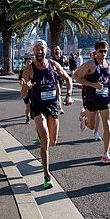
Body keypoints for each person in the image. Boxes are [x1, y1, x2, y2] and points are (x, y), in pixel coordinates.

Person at [20, 39, 74, 189]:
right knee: (45, 137)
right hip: (37, 105)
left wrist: (68, 95)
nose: (39, 51)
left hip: (52, 105)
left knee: (53, 141)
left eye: (42, 49)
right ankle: (46, 175)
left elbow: (68, 79)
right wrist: (27, 88)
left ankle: (42, 133)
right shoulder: (29, 69)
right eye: (36, 49)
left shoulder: (53, 65)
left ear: (46, 50)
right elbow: (22, 93)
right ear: (33, 51)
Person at [72, 40, 110, 163]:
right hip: (92, 99)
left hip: (105, 99)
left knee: (107, 124)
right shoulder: (90, 65)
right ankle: (84, 116)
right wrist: (93, 85)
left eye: (105, 51)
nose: (103, 53)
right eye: (101, 51)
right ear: (96, 51)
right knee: (92, 127)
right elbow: (76, 77)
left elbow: (106, 78)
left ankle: (106, 154)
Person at [19, 56, 33, 124]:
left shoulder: (34, 71)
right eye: (27, 63)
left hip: (33, 90)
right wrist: (22, 83)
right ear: (25, 64)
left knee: (33, 105)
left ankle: (33, 114)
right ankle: (27, 118)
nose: (29, 64)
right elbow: (21, 81)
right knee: (28, 106)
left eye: (30, 63)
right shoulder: (22, 71)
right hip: (25, 90)